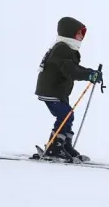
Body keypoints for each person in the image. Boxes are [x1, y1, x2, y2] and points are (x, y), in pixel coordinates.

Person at [34, 16, 101, 162]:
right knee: (65, 115)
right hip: (51, 90)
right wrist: (89, 74)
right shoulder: (62, 48)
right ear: (69, 33)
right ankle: (54, 148)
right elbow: (70, 70)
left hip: (58, 91)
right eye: (79, 33)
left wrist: (90, 73)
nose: (82, 36)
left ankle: (64, 145)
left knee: (68, 115)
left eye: (83, 33)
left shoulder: (68, 48)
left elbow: (74, 68)